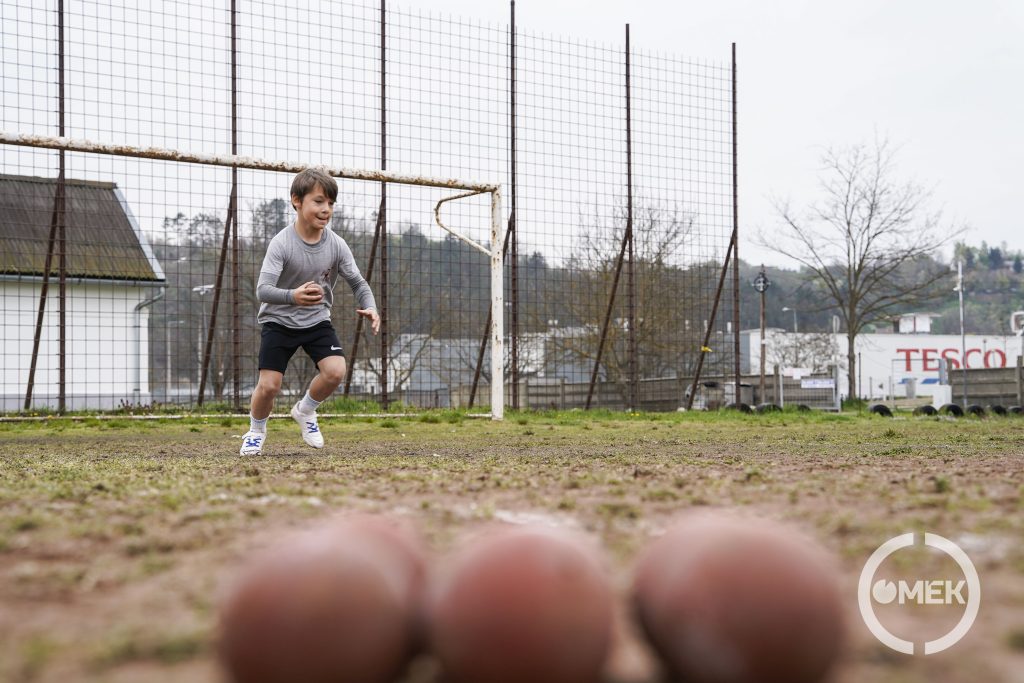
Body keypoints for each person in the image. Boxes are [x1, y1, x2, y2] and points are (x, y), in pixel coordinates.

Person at [240, 168, 380, 455]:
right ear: (297, 200)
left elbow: (358, 282)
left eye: (330, 203)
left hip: (316, 320)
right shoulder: (282, 243)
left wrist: (371, 306)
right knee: (269, 386)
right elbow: (263, 290)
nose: (326, 209)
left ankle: (305, 411)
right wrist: (293, 296)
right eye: (318, 201)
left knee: (335, 371)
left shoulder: (337, 245)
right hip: (278, 320)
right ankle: (256, 431)